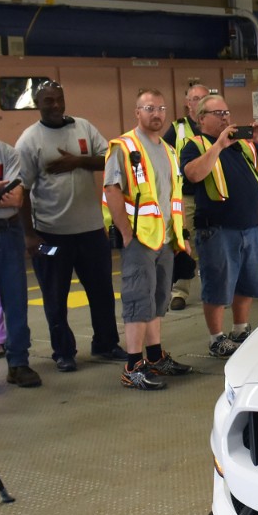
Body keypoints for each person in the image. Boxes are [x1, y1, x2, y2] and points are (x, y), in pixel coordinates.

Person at [16, 80, 125, 372]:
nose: (54, 106)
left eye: (58, 100)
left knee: (102, 291)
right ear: (37, 105)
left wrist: (79, 161)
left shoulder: (84, 128)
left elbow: (111, 158)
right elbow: (21, 190)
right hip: (52, 237)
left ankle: (105, 343)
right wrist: (29, 234)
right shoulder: (29, 140)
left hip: (90, 233)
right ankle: (63, 352)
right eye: (47, 101)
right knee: (55, 294)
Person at [102, 89, 193, 390]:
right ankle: (133, 366)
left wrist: (179, 237)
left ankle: (154, 356)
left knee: (157, 300)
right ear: (137, 113)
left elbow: (172, 197)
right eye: (149, 108)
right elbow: (111, 190)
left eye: (161, 108)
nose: (156, 114)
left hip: (164, 239)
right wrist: (126, 233)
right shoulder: (125, 146)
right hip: (139, 239)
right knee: (137, 300)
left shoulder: (168, 150)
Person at [180, 93, 258, 357]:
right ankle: (216, 338)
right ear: (202, 118)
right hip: (217, 229)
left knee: (246, 283)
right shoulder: (196, 145)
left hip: (249, 226)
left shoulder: (244, 145)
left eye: (226, 112)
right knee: (217, 285)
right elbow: (193, 174)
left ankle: (240, 329)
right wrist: (218, 146)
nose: (225, 117)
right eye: (218, 114)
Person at [166, 80, 211, 311]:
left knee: (212, 244)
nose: (200, 102)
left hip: (212, 194)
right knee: (184, 244)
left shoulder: (216, 126)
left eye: (204, 98)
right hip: (187, 197)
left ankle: (213, 290)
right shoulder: (177, 129)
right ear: (188, 104)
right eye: (195, 99)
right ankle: (179, 292)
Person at [0, 139, 39, 386]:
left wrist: (6, 193)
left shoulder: (8, 153)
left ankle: (18, 364)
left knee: (16, 301)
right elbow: (6, 194)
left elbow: (16, 199)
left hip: (9, 232)